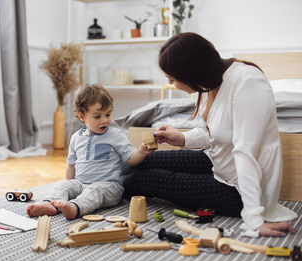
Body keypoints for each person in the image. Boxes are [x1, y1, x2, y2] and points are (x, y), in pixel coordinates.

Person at [124, 32, 297, 237]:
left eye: (173, 78)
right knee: (143, 160)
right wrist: (182, 138)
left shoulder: (248, 83)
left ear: (191, 72)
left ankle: (102, 190)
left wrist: (254, 219)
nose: (172, 84)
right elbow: (218, 132)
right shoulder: (215, 82)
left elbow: (245, 154)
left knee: (141, 180)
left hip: (238, 190)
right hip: (218, 163)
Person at [26, 84, 153, 220]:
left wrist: (142, 152)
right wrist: (69, 187)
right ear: (81, 116)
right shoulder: (76, 138)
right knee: (62, 185)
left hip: (109, 186)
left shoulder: (116, 135)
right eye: (97, 116)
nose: (105, 120)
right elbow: (70, 166)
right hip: (81, 183)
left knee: (94, 191)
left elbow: (131, 158)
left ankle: (75, 207)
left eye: (108, 114)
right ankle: (50, 205)